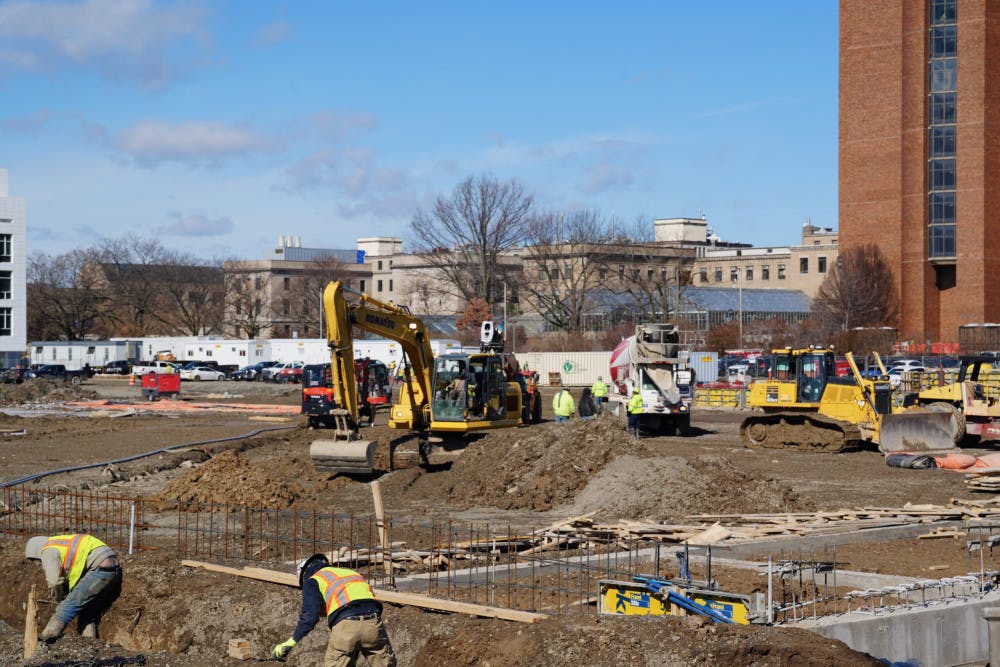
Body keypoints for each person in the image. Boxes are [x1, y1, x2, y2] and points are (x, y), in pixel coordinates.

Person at [272, 554, 396, 666]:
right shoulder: (350, 573)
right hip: (373, 623)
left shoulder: (313, 580)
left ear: (304, 574)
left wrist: (290, 642)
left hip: (345, 625)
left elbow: (310, 616)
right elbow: (365, 601)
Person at [24, 533, 122, 641]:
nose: (38, 563)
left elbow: (54, 582)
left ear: (35, 552)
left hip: (99, 569)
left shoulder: (48, 551)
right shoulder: (60, 542)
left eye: (35, 560)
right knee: (87, 611)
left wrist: (60, 598)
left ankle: (46, 638)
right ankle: (90, 642)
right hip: (113, 568)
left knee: (65, 609)